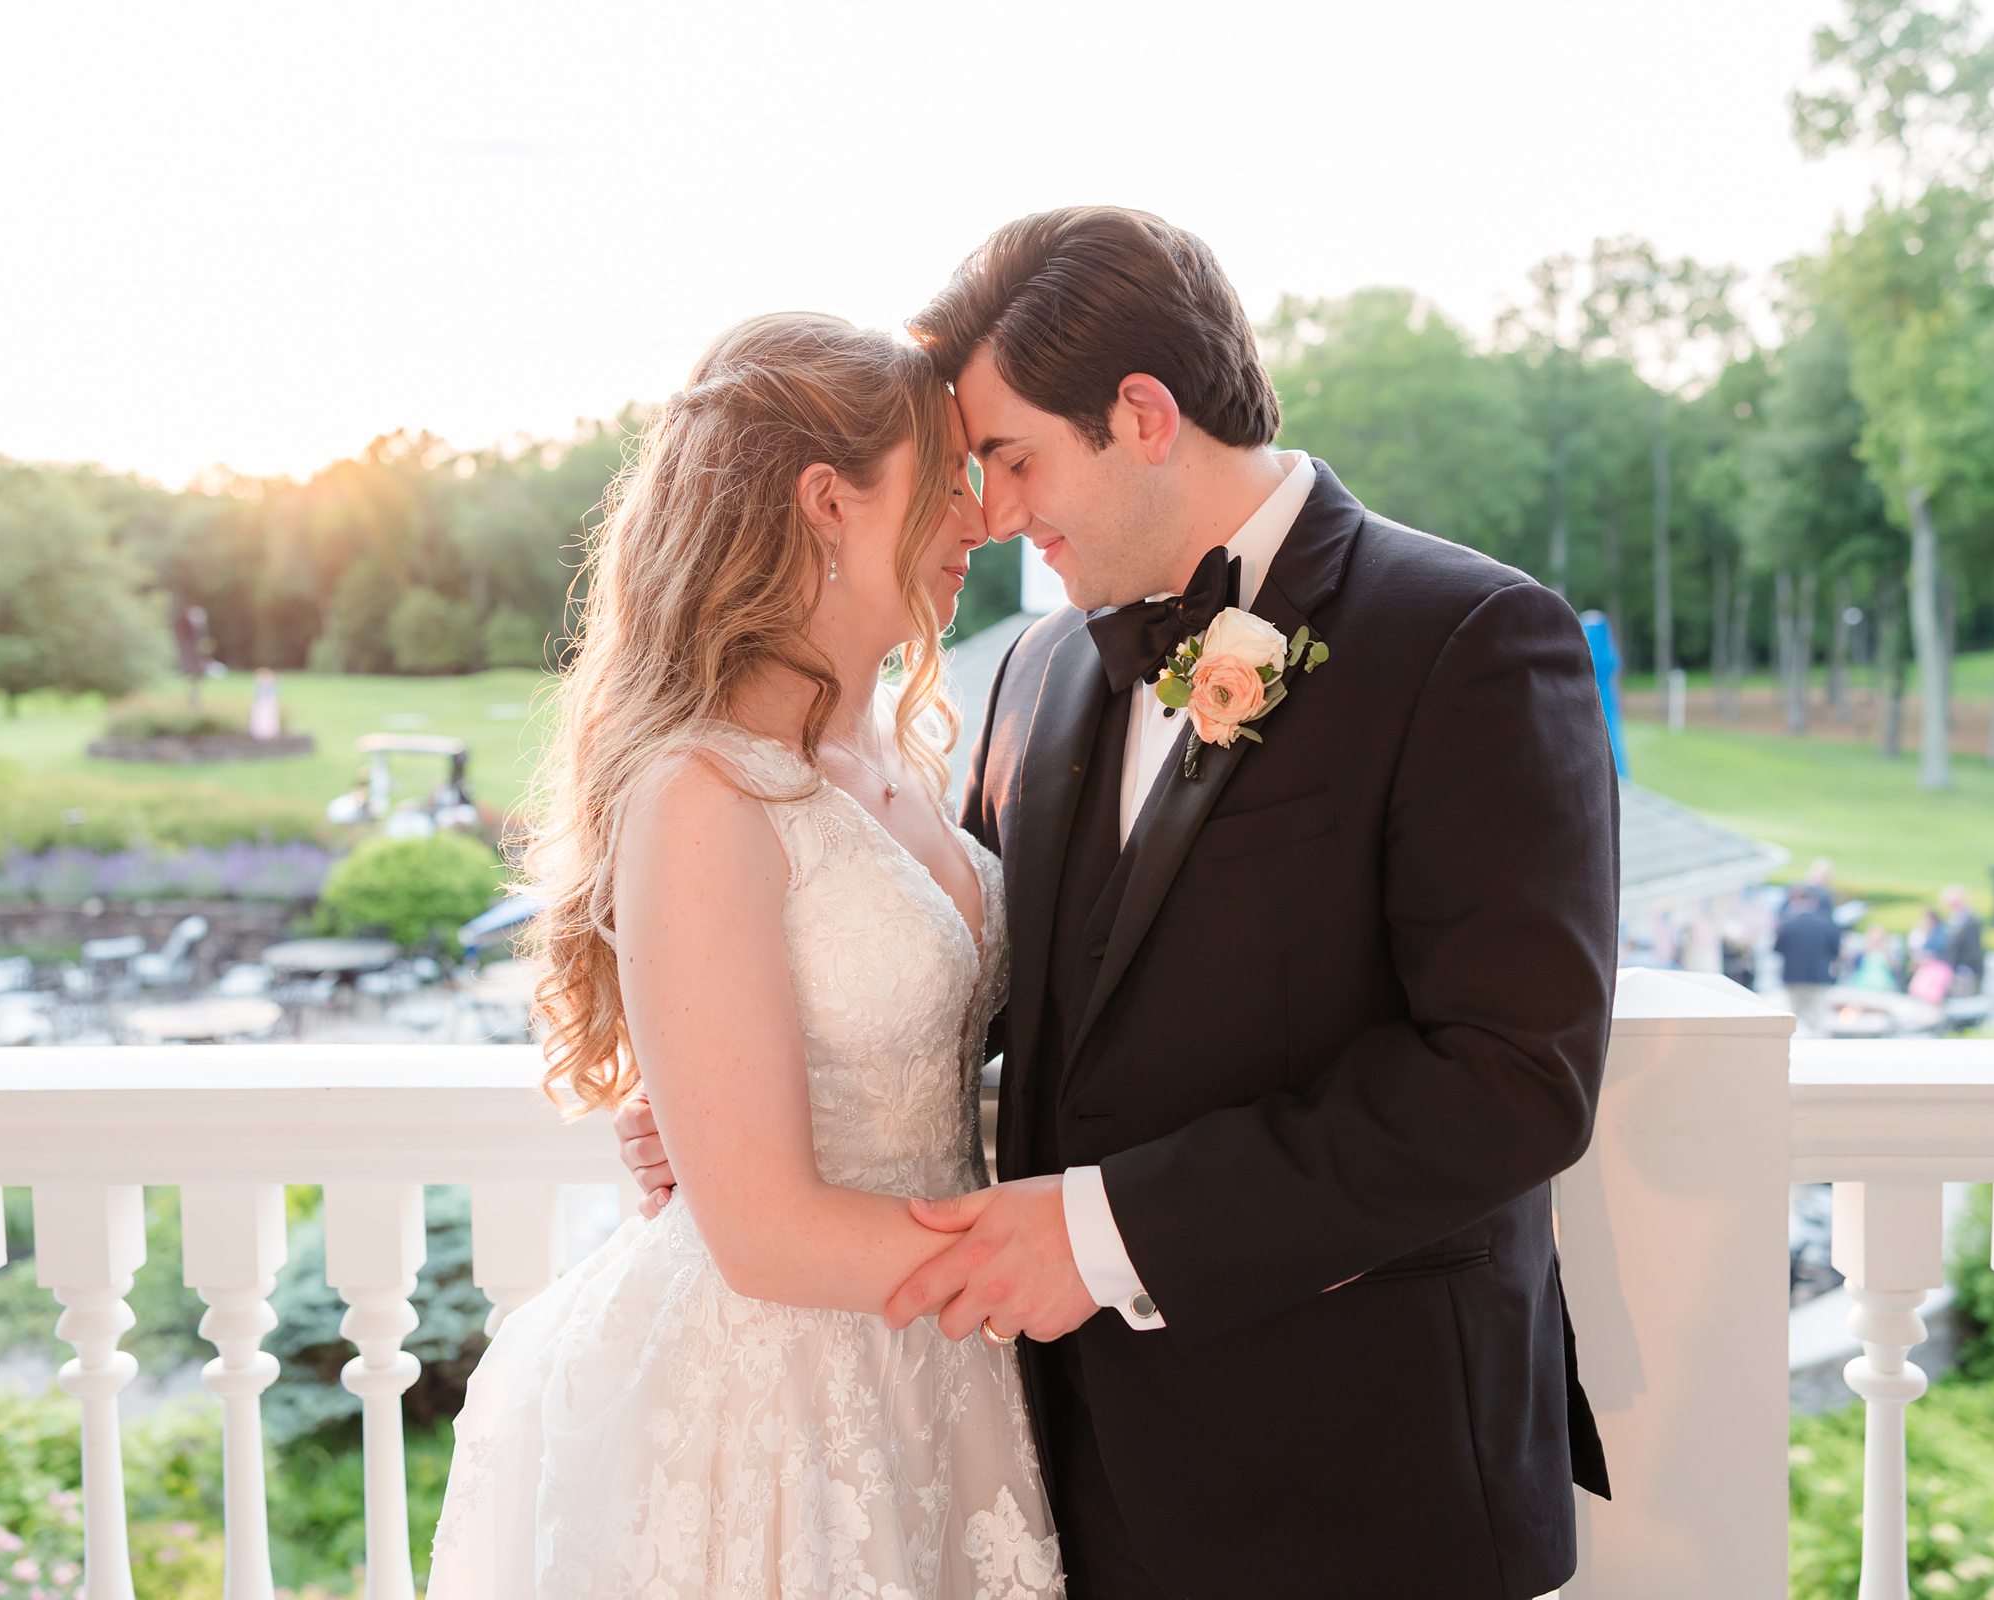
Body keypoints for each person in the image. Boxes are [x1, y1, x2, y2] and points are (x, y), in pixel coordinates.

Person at [621, 207, 1618, 1599]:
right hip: (1063, 1474)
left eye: (1014, 458)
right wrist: (726, 1088)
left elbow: (1513, 1081)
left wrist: (1106, 1235)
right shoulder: (1038, 672)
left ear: (1143, 415)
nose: (992, 511)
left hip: (1362, 1473)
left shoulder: (1468, 640)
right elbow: (992, 981)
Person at [424, 312, 1063, 1597]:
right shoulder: (702, 791)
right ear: (828, 501)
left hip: (944, 1358)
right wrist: (1071, 1260)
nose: (981, 519)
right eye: (944, 483)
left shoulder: (893, 751)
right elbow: (764, 1233)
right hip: (785, 1402)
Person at [1773, 886, 1844, 1029]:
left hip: (1793, 977)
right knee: (1816, 1019)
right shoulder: (1826, 924)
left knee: (1793, 1017)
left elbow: (1778, 949)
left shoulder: (1788, 924)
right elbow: (1835, 951)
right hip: (1818, 977)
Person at [1940, 883, 1987, 994]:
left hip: (1965, 970)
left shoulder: (1970, 921)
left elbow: (1973, 950)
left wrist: (1957, 966)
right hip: (1953, 967)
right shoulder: (1954, 919)